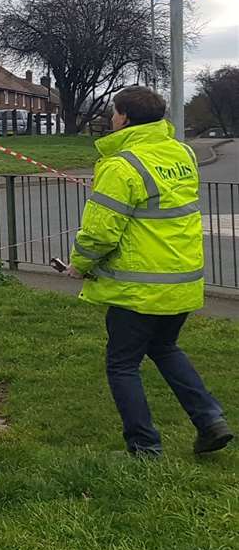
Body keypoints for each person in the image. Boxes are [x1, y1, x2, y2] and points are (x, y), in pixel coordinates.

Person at [67, 85, 230, 457]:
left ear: (123, 117)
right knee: (166, 348)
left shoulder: (121, 165)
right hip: (182, 280)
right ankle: (209, 420)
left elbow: (100, 232)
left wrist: (80, 264)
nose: (111, 119)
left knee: (122, 364)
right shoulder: (182, 153)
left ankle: (144, 447)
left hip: (138, 287)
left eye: (113, 113)